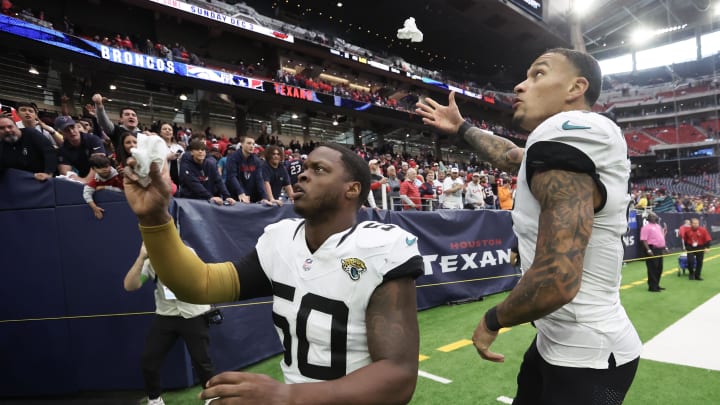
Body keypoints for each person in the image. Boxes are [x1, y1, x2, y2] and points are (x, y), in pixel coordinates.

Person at [416, 47, 642, 404]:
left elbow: (557, 279)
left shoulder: (570, 131)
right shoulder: (560, 141)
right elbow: (511, 158)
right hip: (560, 342)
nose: (520, 86)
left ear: (575, 88)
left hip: (586, 355)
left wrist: (492, 321)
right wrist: (461, 128)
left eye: (538, 74)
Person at [122, 143, 423, 403]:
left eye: (319, 170)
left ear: (352, 188)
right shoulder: (281, 240)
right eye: (304, 167)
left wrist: (287, 397)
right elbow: (200, 284)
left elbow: (399, 376)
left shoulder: (381, 247)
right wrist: (154, 218)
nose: (302, 174)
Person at [123, 243, 216, 405]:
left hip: (193, 312)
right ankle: (155, 399)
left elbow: (199, 279)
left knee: (202, 361)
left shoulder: (187, 252)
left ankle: (211, 397)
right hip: (166, 315)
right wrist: (140, 258)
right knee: (149, 359)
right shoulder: (149, 261)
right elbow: (130, 286)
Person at [177, 139, 235, 205]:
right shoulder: (186, 166)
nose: (200, 152)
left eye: (202, 150)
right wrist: (210, 196)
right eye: (197, 150)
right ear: (191, 152)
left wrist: (227, 196)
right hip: (190, 201)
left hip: (206, 201)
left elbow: (218, 181)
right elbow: (194, 184)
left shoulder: (210, 164)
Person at [0, 116, 56, 181]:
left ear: (16, 126)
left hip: (43, 179)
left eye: (10, 126)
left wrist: (48, 173)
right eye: (1, 128)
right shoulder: (2, 145)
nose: (7, 130)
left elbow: (49, 152)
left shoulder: (31, 134)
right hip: (19, 182)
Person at [55, 115, 106, 182]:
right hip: (83, 178)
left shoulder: (93, 139)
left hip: (106, 175)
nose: (71, 131)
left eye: (72, 127)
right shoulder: (63, 149)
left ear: (77, 126)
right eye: (67, 130)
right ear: (61, 132)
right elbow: (65, 172)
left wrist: (86, 180)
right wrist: (77, 179)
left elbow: (99, 162)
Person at [225, 135, 270, 204]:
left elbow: (259, 179)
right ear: (242, 144)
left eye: (253, 144)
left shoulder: (256, 160)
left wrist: (264, 197)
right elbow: (232, 177)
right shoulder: (233, 157)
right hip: (234, 194)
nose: (252, 146)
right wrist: (240, 192)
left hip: (250, 195)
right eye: (249, 143)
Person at [83, 155, 124, 220]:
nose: (104, 169)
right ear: (93, 169)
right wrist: (95, 208)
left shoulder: (118, 176)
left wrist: (105, 187)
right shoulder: (96, 180)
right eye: (100, 167)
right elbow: (86, 193)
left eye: (106, 166)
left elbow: (124, 191)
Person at [639, 212, 668, 292]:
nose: (654, 217)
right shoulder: (646, 227)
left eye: (655, 216)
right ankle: (652, 287)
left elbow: (661, 237)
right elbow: (644, 240)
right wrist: (648, 249)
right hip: (652, 249)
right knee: (652, 268)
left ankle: (656, 285)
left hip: (659, 249)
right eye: (652, 216)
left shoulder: (658, 226)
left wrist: (665, 247)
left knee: (659, 268)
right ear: (648, 218)